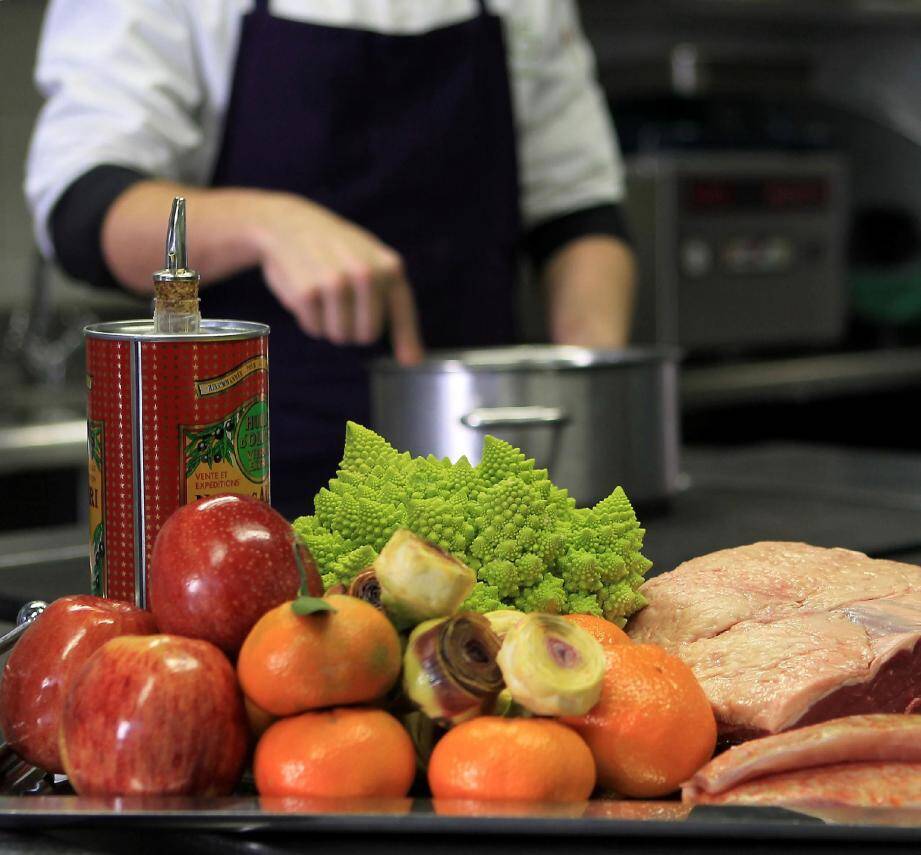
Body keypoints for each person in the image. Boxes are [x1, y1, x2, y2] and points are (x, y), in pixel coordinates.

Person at [26, 0, 636, 517]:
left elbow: (578, 215)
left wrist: (589, 388)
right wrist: (268, 224)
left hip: (482, 477)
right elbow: (83, 207)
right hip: (243, 479)